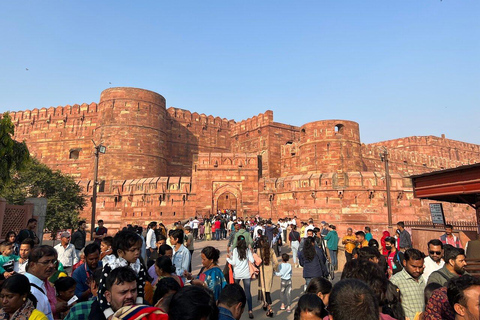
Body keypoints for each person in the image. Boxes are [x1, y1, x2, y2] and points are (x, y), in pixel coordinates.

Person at [98, 230, 147, 319]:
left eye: (138, 249)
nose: (137, 253)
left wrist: (138, 308)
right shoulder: (111, 266)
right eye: (133, 250)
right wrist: (108, 314)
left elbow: (140, 288)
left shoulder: (138, 266)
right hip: (107, 306)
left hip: (134, 304)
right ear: (120, 252)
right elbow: (101, 291)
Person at [390, 248, 426, 320]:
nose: (417, 270)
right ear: (405, 263)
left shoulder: (422, 278)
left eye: (420, 267)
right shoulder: (396, 281)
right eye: (414, 266)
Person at [25, 245, 59, 320]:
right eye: (46, 262)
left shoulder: (42, 284)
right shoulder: (30, 290)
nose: (51, 265)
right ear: (32, 265)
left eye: (53, 262)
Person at [226, 236, 254, 318]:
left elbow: (233, 262)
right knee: (248, 292)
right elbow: (252, 260)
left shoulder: (235, 250)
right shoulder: (247, 250)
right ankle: (250, 310)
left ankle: (235, 309)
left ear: (237, 242)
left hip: (237, 274)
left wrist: (228, 259)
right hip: (246, 274)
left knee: (235, 292)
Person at [257, 236, 278, 317]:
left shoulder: (259, 251)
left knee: (264, 290)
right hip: (269, 271)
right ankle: (265, 304)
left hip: (262, 271)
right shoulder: (271, 250)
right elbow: (276, 262)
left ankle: (270, 308)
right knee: (267, 290)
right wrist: (274, 269)